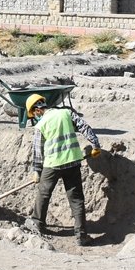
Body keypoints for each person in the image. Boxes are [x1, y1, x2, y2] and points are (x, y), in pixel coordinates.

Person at [22, 94, 102, 245]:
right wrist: (95, 145)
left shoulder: (40, 125)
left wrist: (36, 170)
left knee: (43, 194)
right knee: (76, 199)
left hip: (52, 165)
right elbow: (84, 127)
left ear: (37, 110)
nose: (36, 117)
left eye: (34, 114)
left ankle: (37, 223)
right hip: (72, 161)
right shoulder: (67, 112)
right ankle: (81, 235)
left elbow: (38, 151)